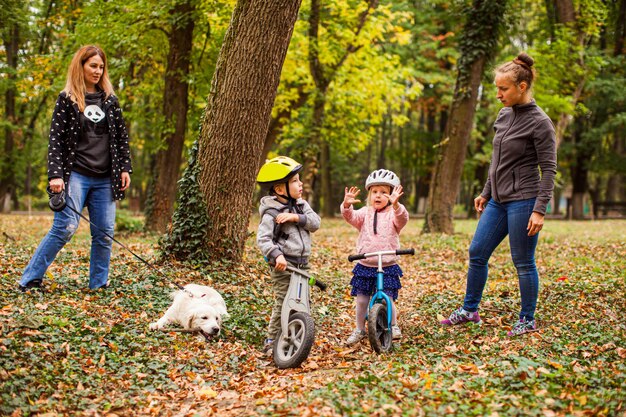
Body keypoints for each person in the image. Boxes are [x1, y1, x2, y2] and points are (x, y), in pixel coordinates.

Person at [440, 52, 556, 336]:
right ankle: (470, 310)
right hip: (499, 201)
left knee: (523, 261)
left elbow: (549, 169)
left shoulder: (541, 122)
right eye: (496, 88)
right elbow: (497, 160)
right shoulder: (504, 114)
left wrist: (539, 209)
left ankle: (527, 319)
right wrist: (486, 192)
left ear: (522, 87)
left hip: (525, 200)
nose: (498, 94)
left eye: (503, 89)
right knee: (477, 251)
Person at [18, 45, 132, 292]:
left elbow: (122, 138)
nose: (98, 71)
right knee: (65, 227)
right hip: (76, 175)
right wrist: (55, 175)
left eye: (101, 67)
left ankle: (98, 284)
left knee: (104, 234)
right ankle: (30, 279)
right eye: (93, 65)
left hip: (105, 179)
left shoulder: (110, 100)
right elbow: (56, 140)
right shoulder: (67, 99)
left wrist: (125, 168)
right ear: (80, 66)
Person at [256, 156, 321, 355]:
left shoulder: (301, 205)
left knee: (303, 302)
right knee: (283, 301)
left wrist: (295, 217)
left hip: (302, 264)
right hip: (284, 266)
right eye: (295, 181)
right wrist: (277, 255)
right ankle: (271, 339)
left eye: (299, 179)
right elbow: (263, 239)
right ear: (280, 189)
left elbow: (315, 222)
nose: (300, 184)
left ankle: (298, 335)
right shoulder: (271, 212)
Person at [341, 169, 409, 345]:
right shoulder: (365, 212)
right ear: (369, 194)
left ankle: (393, 325)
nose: (378, 196)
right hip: (365, 264)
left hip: (387, 264)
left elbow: (403, 219)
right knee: (362, 299)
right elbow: (351, 217)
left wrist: (396, 205)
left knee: (388, 297)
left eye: (384, 192)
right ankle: (359, 329)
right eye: (374, 192)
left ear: (392, 195)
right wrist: (347, 205)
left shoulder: (394, 214)